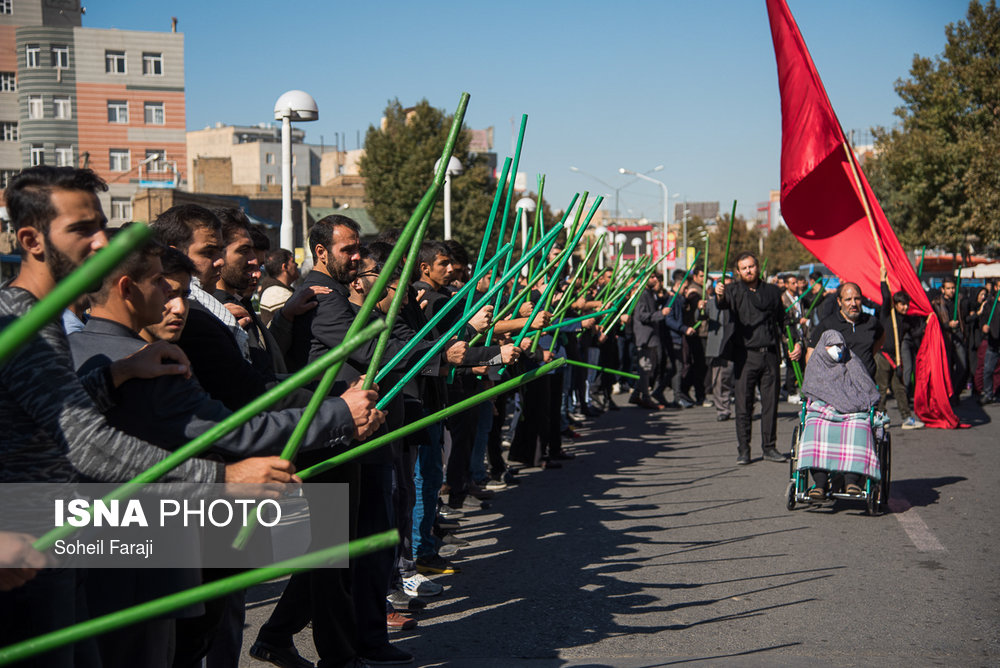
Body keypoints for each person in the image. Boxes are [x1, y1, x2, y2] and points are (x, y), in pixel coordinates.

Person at [715, 251, 802, 465]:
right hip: (745, 356)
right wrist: (718, 294)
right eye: (743, 268)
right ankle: (743, 449)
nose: (748, 270)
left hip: (770, 354)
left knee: (771, 404)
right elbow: (722, 304)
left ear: (757, 267)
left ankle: (769, 447)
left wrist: (795, 343)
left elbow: (784, 321)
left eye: (751, 266)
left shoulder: (773, 291)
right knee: (743, 405)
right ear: (737, 271)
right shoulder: (732, 291)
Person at [799, 329, 882, 499]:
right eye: (832, 346)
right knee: (813, 428)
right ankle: (820, 484)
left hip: (852, 410)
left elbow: (866, 388)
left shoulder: (851, 361)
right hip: (823, 409)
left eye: (839, 345)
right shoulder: (816, 364)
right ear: (824, 346)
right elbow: (810, 392)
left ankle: (851, 481)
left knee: (860, 428)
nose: (836, 349)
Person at [874, 267, 923, 429]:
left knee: (899, 389)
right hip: (882, 356)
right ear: (896, 304)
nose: (905, 307)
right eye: (902, 304)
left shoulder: (906, 320)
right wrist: (883, 279)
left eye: (907, 304)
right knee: (882, 388)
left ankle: (907, 418)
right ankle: (880, 416)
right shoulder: (887, 314)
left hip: (895, 358)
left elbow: (916, 333)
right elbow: (886, 296)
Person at [807, 281, 884, 380]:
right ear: (839, 301)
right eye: (848, 299)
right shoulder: (828, 324)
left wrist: (867, 354)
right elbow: (811, 349)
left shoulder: (871, 321)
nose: (853, 304)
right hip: (840, 387)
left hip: (868, 386)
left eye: (857, 299)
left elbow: (881, 337)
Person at [259, 249, 299, 326]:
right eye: (293, 261)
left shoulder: (280, 290)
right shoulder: (277, 293)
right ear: (285, 267)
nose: (296, 264)